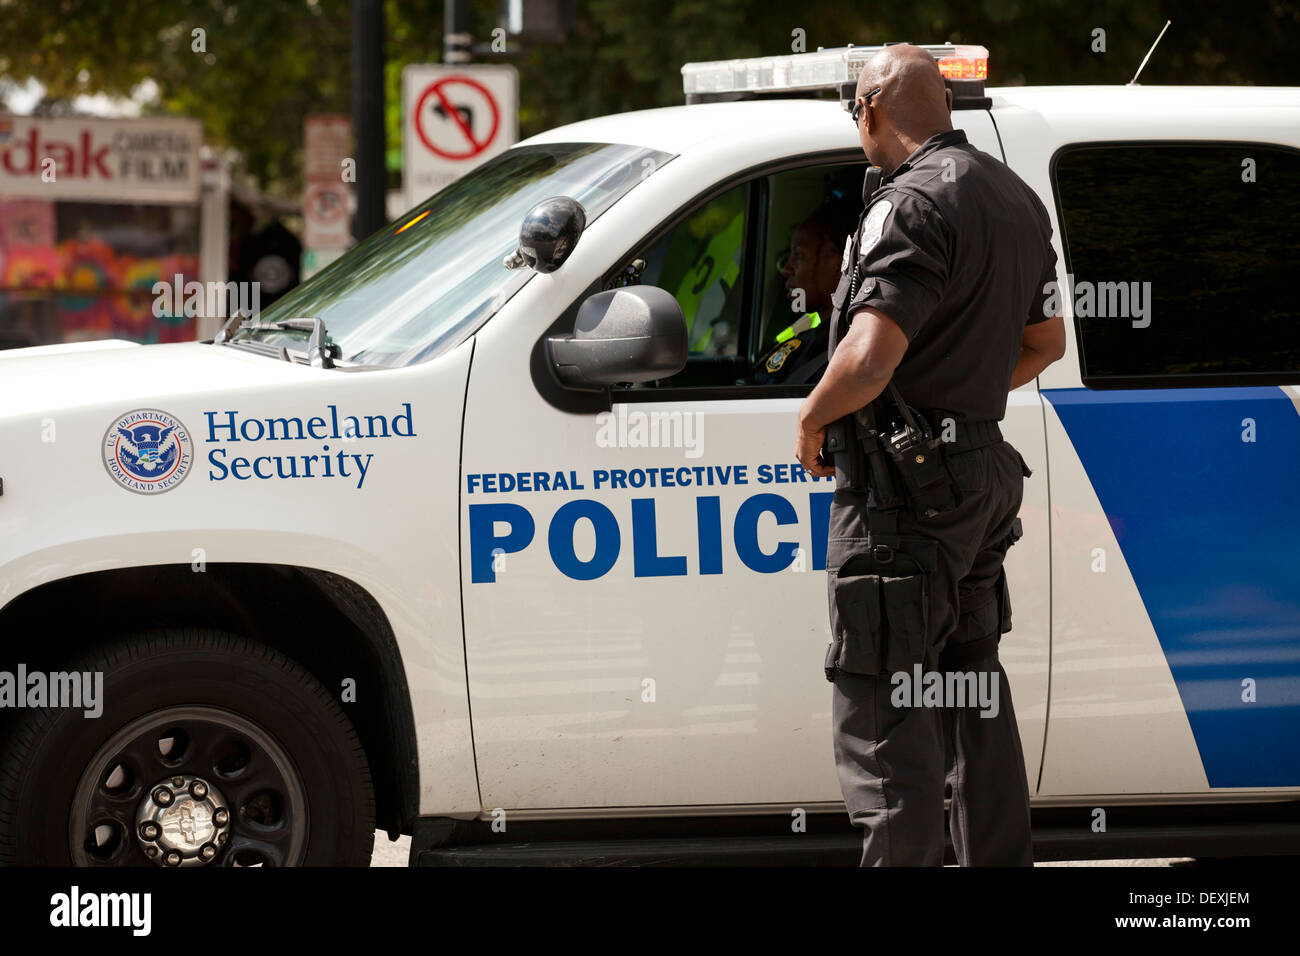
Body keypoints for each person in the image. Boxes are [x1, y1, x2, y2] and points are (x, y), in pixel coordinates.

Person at [794, 44, 1066, 866]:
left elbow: (870, 360)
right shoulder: (1015, 196)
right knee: (970, 698)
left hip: (900, 503)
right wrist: (964, 401)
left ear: (871, 107)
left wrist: (811, 419)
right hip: (980, 481)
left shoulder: (904, 205)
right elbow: (1046, 343)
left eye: (855, 117)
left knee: (885, 729)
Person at [753, 203, 857, 384]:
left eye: (799, 256)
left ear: (839, 264)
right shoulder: (815, 339)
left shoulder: (839, 352)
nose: (786, 269)